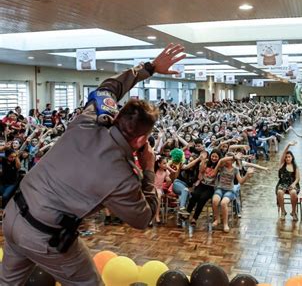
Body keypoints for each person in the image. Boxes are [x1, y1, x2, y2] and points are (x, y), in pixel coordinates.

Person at [0, 43, 185, 285]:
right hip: (44, 234)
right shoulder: (122, 175)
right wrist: (148, 168)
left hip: (13, 214)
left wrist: (149, 67)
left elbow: (110, 87)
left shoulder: (88, 120)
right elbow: (143, 218)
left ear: (117, 116)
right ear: (141, 139)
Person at [276, 141, 300, 221]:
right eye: (286, 157)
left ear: (292, 157)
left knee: (293, 193)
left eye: (289, 157)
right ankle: (283, 211)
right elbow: (283, 154)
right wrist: (288, 145)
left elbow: (297, 178)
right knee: (279, 192)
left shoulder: (295, 166)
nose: (287, 158)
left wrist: (294, 184)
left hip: (292, 184)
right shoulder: (282, 164)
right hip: (283, 183)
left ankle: (293, 212)